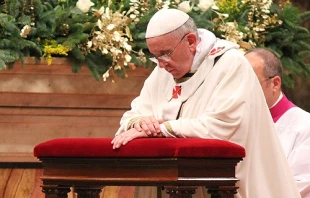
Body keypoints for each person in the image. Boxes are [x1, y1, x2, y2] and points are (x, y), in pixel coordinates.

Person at [111, 8, 300, 197]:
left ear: (191, 42)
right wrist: (141, 122)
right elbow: (133, 114)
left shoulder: (230, 64)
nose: (161, 64)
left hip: (224, 186)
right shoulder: (163, 71)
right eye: (155, 56)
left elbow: (222, 126)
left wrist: (163, 128)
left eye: (165, 54)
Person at [245, 48, 310, 198]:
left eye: (251, 82)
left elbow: (294, 188)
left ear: (275, 84)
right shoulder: (237, 122)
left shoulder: (305, 127)